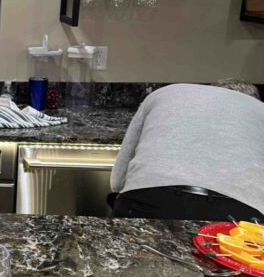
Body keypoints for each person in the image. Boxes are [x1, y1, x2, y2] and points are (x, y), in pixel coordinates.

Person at [110, 80, 264, 221]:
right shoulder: (260, 110)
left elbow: (117, 181)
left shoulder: (164, 93)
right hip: (239, 211)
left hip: (149, 200)